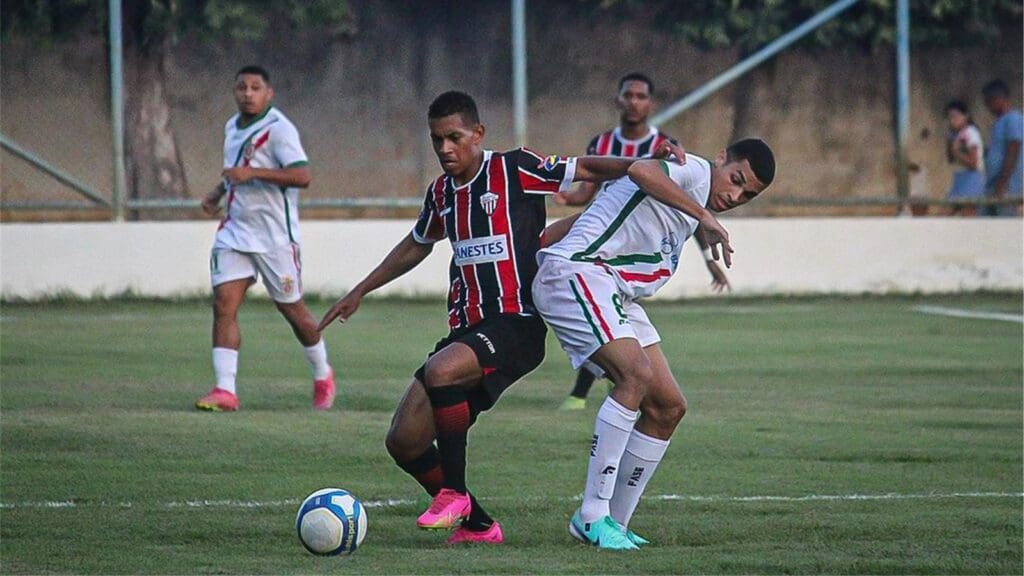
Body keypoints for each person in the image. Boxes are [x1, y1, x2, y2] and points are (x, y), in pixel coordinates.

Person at [317, 91, 686, 545]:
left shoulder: (515, 168)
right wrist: (360, 290)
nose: (445, 149)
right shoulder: (442, 194)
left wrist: (644, 161)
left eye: (454, 138)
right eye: (437, 140)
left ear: (478, 133)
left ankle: (454, 493)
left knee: (442, 370)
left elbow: (585, 169)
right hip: (467, 330)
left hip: (518, 323)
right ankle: (479, 526)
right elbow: (417, 243)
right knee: (405, 441)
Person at [533, 139, 775, 550]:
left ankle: (617, 523)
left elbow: (579, 222)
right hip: (578, 273)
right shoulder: (694, 171)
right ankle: (591, 516)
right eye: (736, 180)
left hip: (612, 289)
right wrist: (704, 217)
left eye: (747, 194)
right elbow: (641, 171)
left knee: (668, 406)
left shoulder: (686, 198)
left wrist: (541, 243)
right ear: (721, 159)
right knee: (636, 375)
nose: (735, 196)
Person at [555, 72, 730, 411]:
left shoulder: (665, 148)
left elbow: (687, 211)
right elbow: (586, 193)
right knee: (603, 319)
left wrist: (709, 259)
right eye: (628, 95)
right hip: (594, 239)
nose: (634, 102)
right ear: (618, 100)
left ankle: (599, 388)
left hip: (634, 250)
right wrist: (567, 199)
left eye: (641, 96)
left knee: (614, 325)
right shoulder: (602, 144)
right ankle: (599, 388)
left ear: (650, 104)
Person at [195, 65, 335, 412]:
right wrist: (216, 194)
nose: (248, 93)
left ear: (268, 93)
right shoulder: (232, 126)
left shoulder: (279, 130)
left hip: (275, 239)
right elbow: (235, 171)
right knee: (223, 306)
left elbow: (303, 177)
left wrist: (253, 173)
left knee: (294, 312)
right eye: (241, 87)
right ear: (234, 91)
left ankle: (322, 373)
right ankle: (225, 390)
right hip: (236, 232)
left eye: (256, 87)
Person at [981, 79, 1023, 217]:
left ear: (999, 99)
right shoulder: (999, 123)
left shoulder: (1013, 118)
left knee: (1004, 228)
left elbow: (1013, 150)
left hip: (1006, 187)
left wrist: (1002, 184)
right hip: (993, 185)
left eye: (988, 102)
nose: (987, 107)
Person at [943, 100, 985, 216]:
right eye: (950, 117)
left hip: (971, 180)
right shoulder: (957, 134)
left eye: (955, 116)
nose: (952, 120)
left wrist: (956, 152)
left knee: (968, 219)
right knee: (943, 216)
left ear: (965, 116)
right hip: (959, 179)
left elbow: (973, 163)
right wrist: (949, 142)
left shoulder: (970, 133)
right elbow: (951, 159)